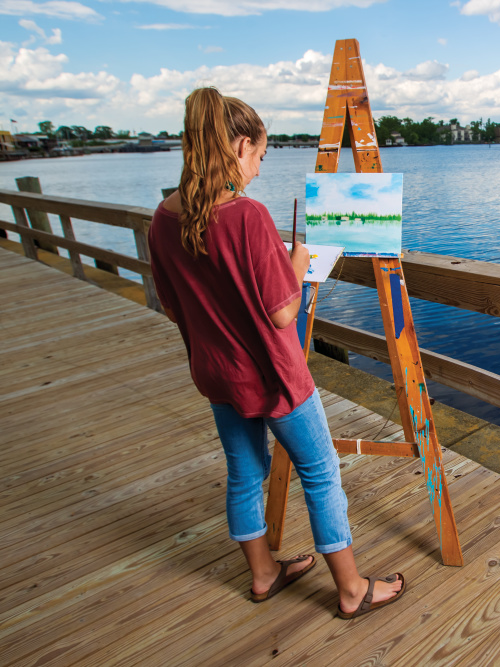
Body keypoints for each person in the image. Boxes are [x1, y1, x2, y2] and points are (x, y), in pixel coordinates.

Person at [148, 87, 404, 618]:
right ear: (240, 146)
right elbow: (283, 312)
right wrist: (298, 260)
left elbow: (175, 308)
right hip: (273, 376)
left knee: (244, 473)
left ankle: (263, 573)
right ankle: (352, 589)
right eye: (260, 156)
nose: (260, 171)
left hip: (217, 375)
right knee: (321, 469)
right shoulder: (246, 216)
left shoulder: (163, 218)